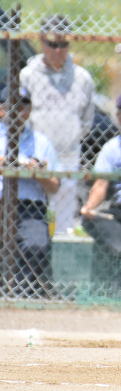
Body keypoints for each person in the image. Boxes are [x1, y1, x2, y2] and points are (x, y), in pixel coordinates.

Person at [20, 15, 95, 234]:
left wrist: (70, 141)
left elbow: (87, 121)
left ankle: (61, 264)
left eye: (63, 44)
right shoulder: (28, 76)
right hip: (34, 159)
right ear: (42, 42)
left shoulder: (82, 78)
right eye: (52, 44)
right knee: (34, 220)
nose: (58, 50)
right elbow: (21, 117)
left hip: (67, 160)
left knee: (63, 226)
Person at [0, 86, 60, 297]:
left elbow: (54, 186)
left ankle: (25, 293)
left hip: (28, 207)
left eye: (23, 106)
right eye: (12, 106)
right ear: (2, 110)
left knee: (36, 244)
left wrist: (37, 173)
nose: (18, 111)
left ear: (29, 110)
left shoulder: (41, 142)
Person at [80, 91, 121, 268]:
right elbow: (101, 183)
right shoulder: (112, 147)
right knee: (89, 219)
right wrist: (89, 207)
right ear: (117, 115)